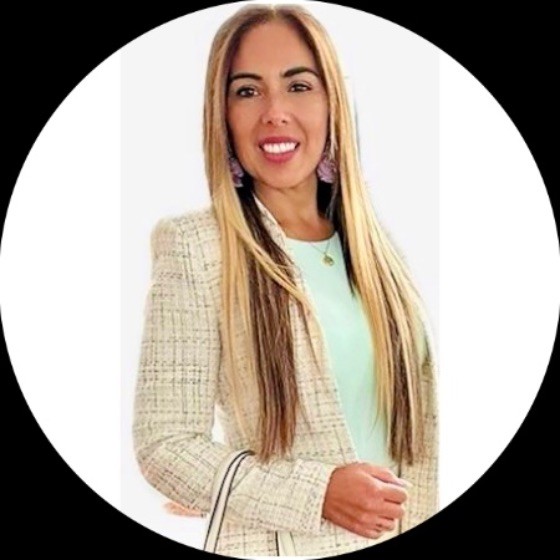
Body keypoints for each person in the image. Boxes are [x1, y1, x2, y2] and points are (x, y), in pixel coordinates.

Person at [132, 3, 438, 557]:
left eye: (298, 86)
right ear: (222, 115)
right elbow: (165, 446)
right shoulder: (196, 246)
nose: (274, 112)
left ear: (332, 102)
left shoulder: (378, 249)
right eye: (247, 91)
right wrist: (316, 493)